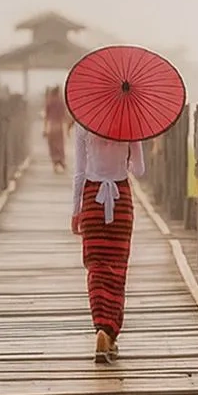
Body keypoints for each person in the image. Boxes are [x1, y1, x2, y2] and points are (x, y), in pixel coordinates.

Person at [70, 123, 145, 364]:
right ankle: (110, 333)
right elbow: (140, 170)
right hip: (121, 201)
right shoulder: (130, 124)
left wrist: (76, 211)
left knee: (96, 268)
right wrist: (127, 160)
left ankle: (100, 329)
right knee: (117, 269)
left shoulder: (83, 125)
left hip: (92, 201)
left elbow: (79, 173)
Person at [43, 86, 69, 172]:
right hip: (59, 126)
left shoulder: (49, 102)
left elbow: (46, 117)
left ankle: (55, 163)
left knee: (52, 145)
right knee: (60, 144)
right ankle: (61, 160)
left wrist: (44, 129)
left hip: (51, 126)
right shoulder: (61, 102)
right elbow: (65, 116)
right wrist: (68, 128)